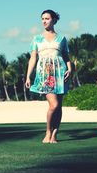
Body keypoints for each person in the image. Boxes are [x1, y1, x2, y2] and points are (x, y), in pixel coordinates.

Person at [25, 10, 72, 143]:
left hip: (61, 73)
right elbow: (33, 58)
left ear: (54, 20)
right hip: (45, 74)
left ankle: (55, 134)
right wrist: (28, 76)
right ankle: (48, 131)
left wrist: (69, 69)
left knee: (59, 106)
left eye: (47, 18)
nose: (44, 21)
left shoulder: (62, 38)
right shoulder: (36, 39)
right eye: (42, 19)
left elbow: (66, 57)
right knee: (54, 105)